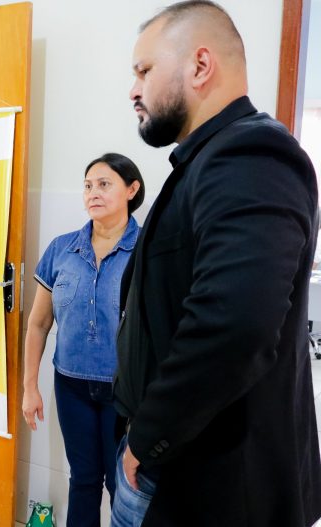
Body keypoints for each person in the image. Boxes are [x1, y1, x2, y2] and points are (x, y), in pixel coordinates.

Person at [112, 2, 321, 526]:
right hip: (176, 462)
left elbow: (235, 325)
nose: (133, 90)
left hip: (213, 483)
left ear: (200, 66)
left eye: (144, 71)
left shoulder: (250, 154)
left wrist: (148, 436)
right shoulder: (206, 160)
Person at [22, 153, 144, 527]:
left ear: (132, 189)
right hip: (71, 386)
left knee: (124, 484)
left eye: (104, 184)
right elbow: (38, 323)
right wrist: (30, 387)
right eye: (88, 185)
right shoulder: (62, 249)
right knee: (84, 479)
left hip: (125, 393)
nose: (93, 192)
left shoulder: (147, 251)